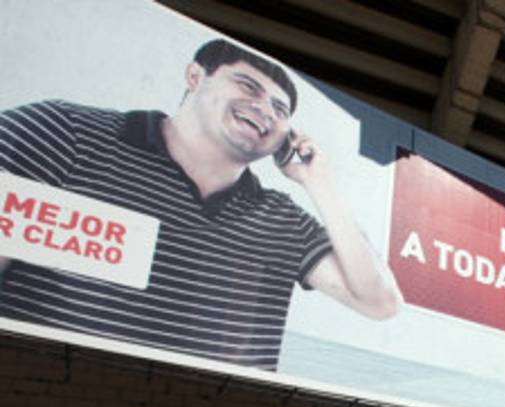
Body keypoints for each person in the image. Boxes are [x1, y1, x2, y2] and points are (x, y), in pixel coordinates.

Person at [0, 39, 402, 371]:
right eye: (248, 86)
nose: (265, 110)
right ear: (195, 77)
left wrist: (320, 183)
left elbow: (380, 302)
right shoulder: (65, 133)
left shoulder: (282, 220)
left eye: (281, 110)